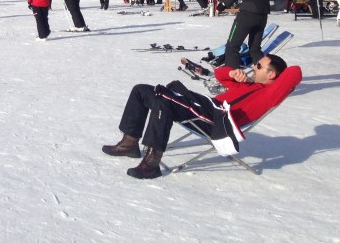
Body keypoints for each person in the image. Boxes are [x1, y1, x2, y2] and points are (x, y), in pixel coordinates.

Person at [101, 54, 289, 179]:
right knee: (141, 90)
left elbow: (294, 73)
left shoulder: (268, 94)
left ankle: (151, 163)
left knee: (163, 100)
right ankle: (129, 143)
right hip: (203, 108)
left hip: (217, 122)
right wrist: (232, 72)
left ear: (271, 74)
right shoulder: (246, 84)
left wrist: (279, 76)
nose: (254, 68)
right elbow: (219, 74)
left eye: (259, 66)